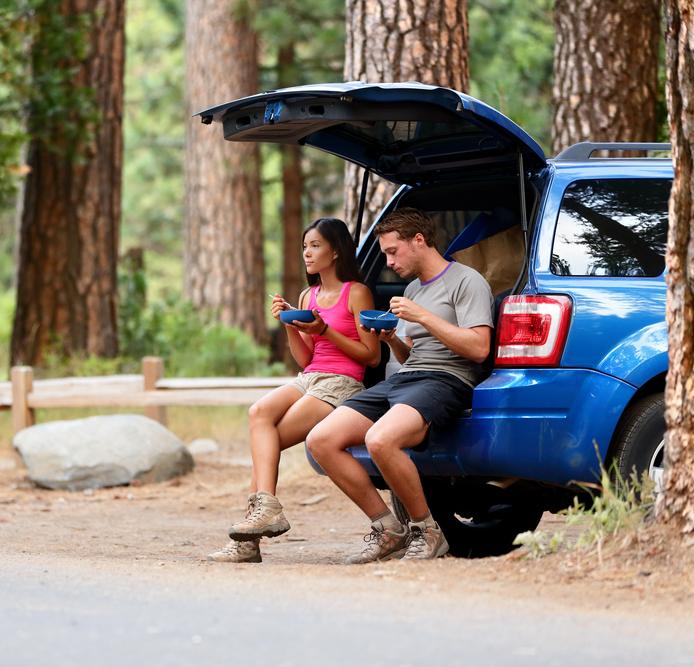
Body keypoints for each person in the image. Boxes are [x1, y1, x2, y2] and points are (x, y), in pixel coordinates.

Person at [305, 207, 494, 562]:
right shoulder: (412, 289)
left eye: (393, 251)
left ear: (419, 241)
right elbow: (410, 357)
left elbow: (479, 348)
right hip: (408, 377)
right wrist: (392, 339)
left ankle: (428, 531)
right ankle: (388, 529)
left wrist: (421, 315)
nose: (389, 262)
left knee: (381, 440)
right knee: (321, 439)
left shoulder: (467, 281)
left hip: (446, 379)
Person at [208, 218, 380, 563]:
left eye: (315, 245)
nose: (307, 253)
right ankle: (263, 515)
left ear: (335, 251)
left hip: (341, 382)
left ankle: (248, 540)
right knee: (258, 414)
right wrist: (289, 325)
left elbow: (371, 356)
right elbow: (305, 358)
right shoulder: (308, 295)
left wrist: (324, 329)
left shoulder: (356, 292)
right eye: (304, 246)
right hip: (310, 377)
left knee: (265, 446)